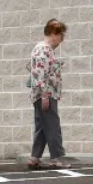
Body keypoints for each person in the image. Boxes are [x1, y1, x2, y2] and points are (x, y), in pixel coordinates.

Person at [27, 19, 68, 170]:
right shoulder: (44, 50)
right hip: (46, 94)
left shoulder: (39, 48)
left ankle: (34, 157)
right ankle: (56, 158)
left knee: (42, 127)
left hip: (41, 94)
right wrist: (45, 94)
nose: (60, 41)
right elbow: (41, 73)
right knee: (52, 125)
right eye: (60, 36)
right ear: (54, 34)